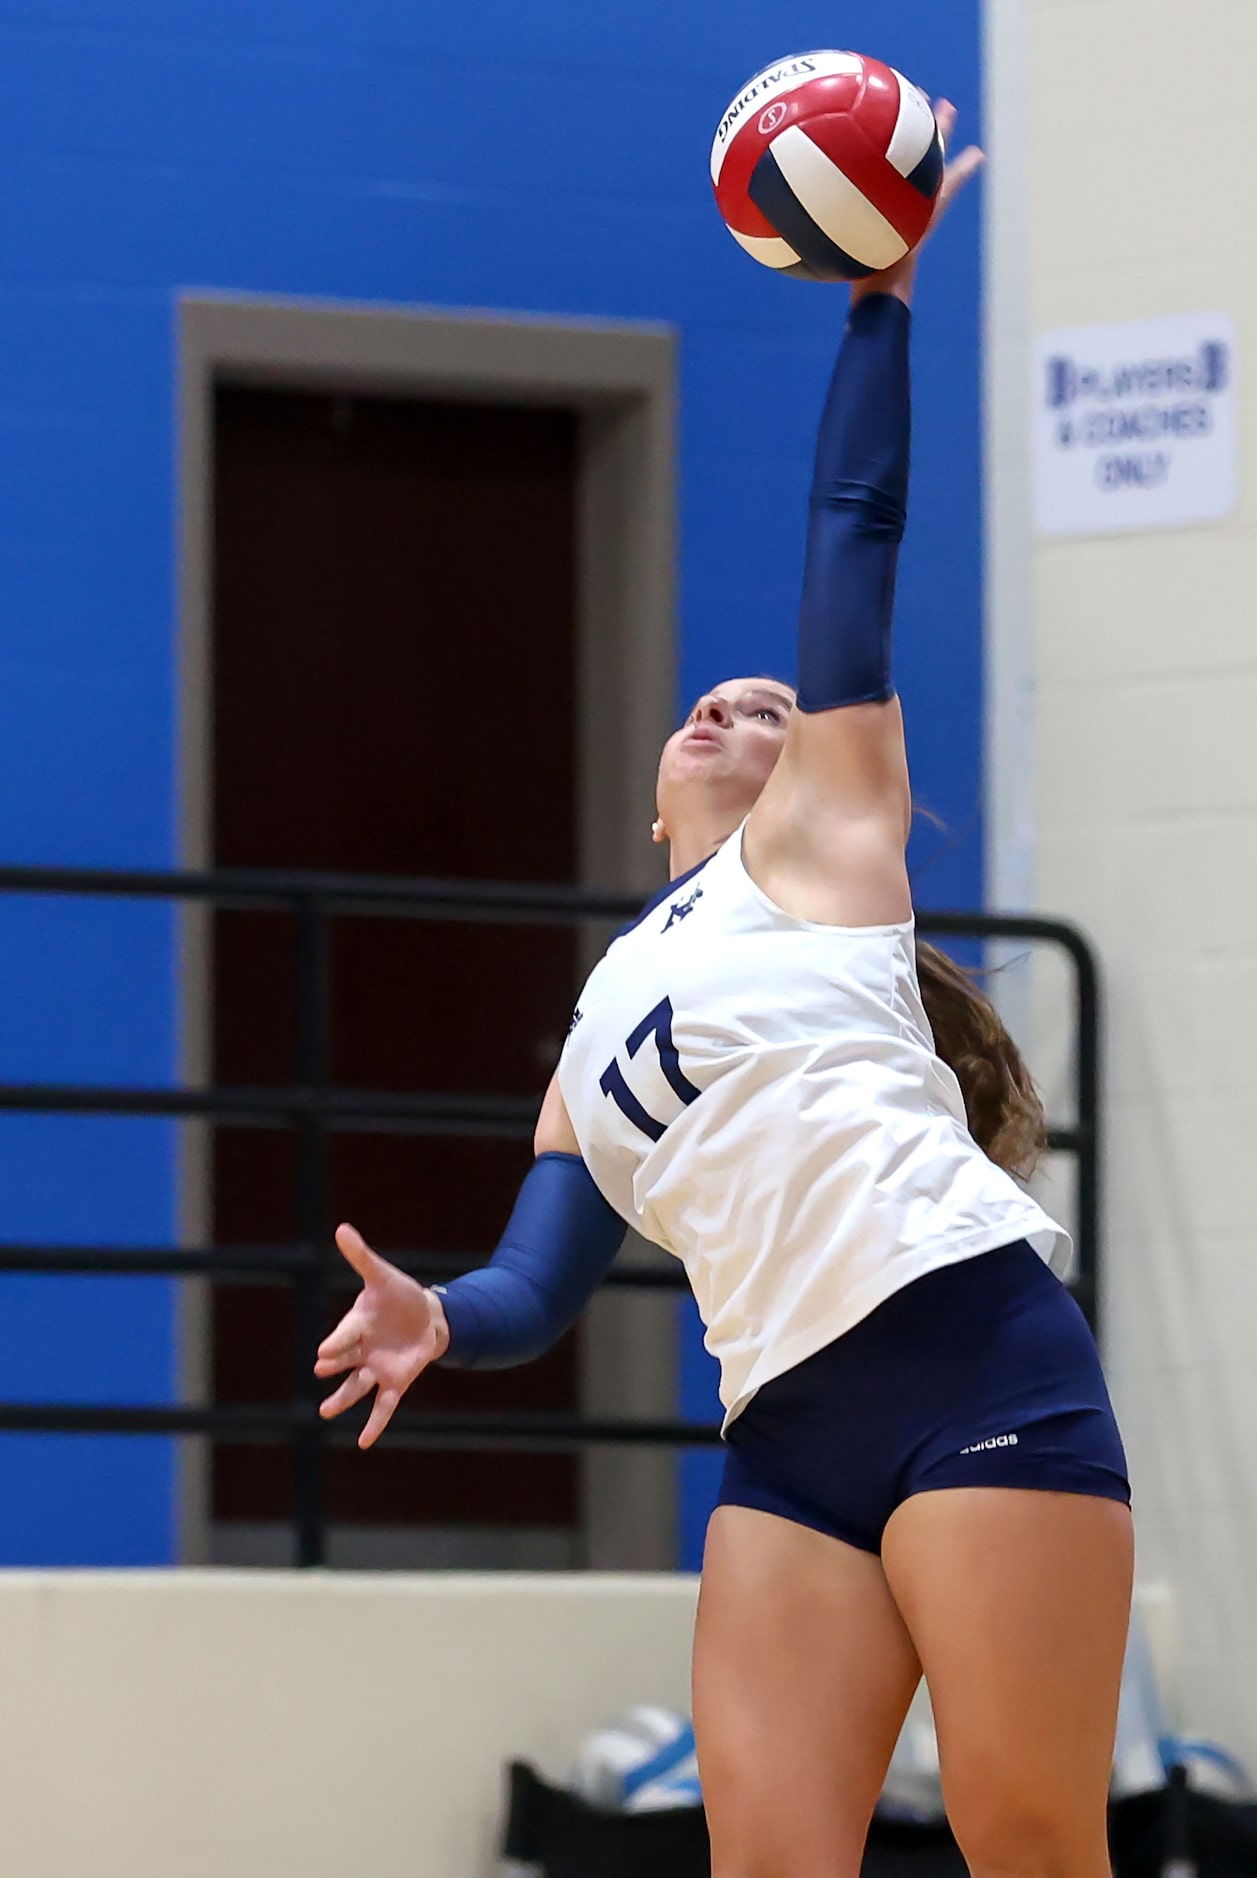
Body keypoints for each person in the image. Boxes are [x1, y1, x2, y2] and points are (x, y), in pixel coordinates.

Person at [315, 104, 1132, 1878]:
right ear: (650, 802)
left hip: (971, 1354)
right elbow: (544, 1277)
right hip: (786, 1437)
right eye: (710, 703)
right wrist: (443, 1318)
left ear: (818, 768)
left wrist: (880, 304)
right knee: (762, 1861)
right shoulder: (603, 1012)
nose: (732, 705)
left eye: (768, 706)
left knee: (1026, 1839)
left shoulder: (829, 850)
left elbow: (853, 529)